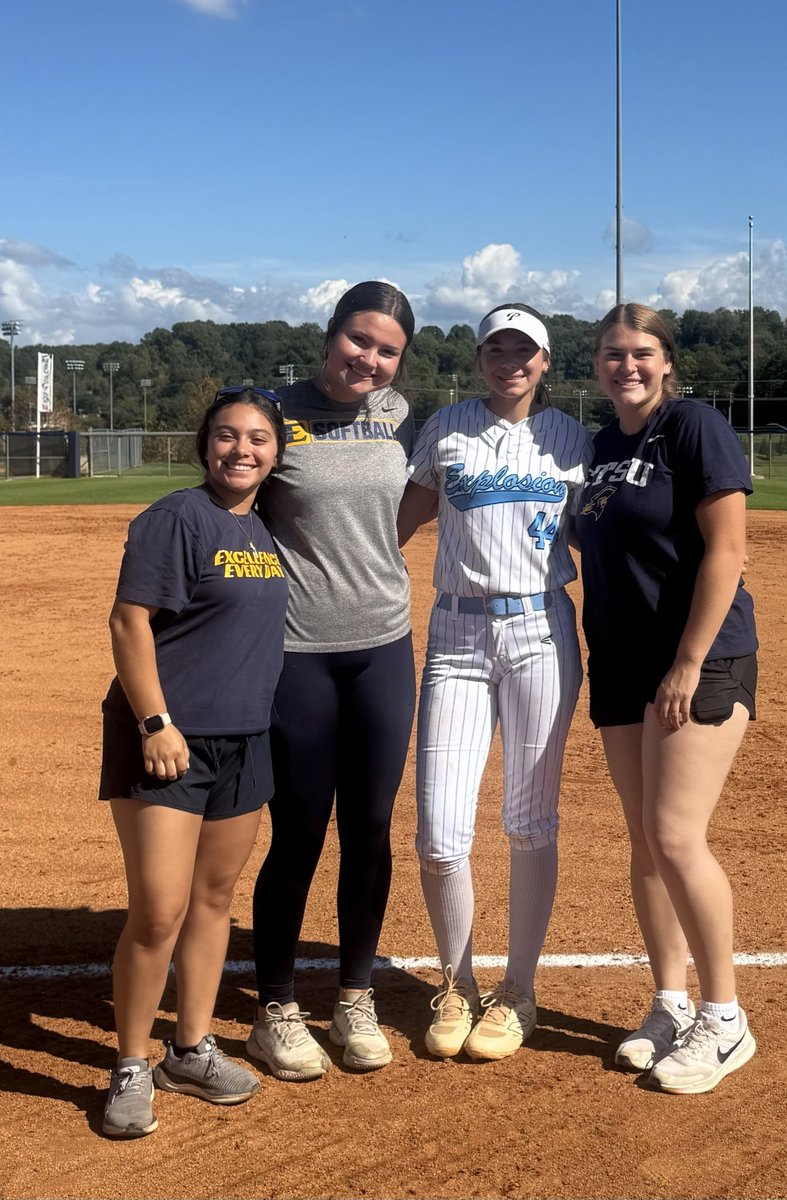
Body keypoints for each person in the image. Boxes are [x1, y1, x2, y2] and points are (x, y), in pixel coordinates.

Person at [397, 304, 593, 1061]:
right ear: (479, 357)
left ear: (545, 361)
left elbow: (603, 534)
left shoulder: (571, 438)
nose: (509, 359)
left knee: (527, 823)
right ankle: (456, 982)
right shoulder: (446, 427)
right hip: (455, 633)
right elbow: (400, 524)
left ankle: (517, 988)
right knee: (440, 837)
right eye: (496, 347)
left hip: (542, 631)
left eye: (525, 349)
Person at [575, 303, 759, 1094]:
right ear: (596, 366)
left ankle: (724, 1019)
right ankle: (669, 1003)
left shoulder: (692, 426)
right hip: (617, 662)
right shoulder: (598, 447)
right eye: (613, 355)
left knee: (674, 834)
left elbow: (727, 549)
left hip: (696, 658)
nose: (627, 366)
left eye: (641, 353)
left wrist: (686, 662)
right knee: (644, 843)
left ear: (666, 360)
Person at [99, 387, 288, 1138]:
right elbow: (128, 620)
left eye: (257, 439)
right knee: (159, 912)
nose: (241, 449)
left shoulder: (267, 529)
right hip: (169, 739)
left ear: (276, 451)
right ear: (203, 443)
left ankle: (190, 1047)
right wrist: (156, 721)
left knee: (213, 904)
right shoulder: (176, 517)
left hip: (243, 739)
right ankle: (130, 1064)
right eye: (225, 436)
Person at [247, 281, 417, 1078]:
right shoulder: (275, 413)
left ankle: (354, 996)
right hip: (298, 653)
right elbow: (230, 507)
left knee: (371, 831)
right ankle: (276, 1006)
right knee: (301, 831)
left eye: (386, 350)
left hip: (383, 646)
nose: (369, 359)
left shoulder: (396, 414)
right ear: (330, 336)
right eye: (359, 341)